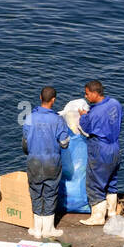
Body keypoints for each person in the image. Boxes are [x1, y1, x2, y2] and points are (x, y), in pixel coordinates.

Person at [22, 86, 71, 238]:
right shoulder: (58, 119)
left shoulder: (29, 117)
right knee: (50, 193)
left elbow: (24, 142)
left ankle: (37, 230)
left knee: (36, 192)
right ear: (53, 100)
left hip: (34, 161)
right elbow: (64, 143)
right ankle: (48, 230)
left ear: (40, 97)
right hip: (51, 162)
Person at [77, 79, 123, 225]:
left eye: (87, 94)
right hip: (115, 147)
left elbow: (86, 127)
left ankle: (98, 217)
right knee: (111, 181)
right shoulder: (115, 104)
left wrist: (84, 115)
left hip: (100, 149)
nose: (86, 97)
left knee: (95, 182)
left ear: (95, 93)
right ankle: (112, 212)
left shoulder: (95, 112)